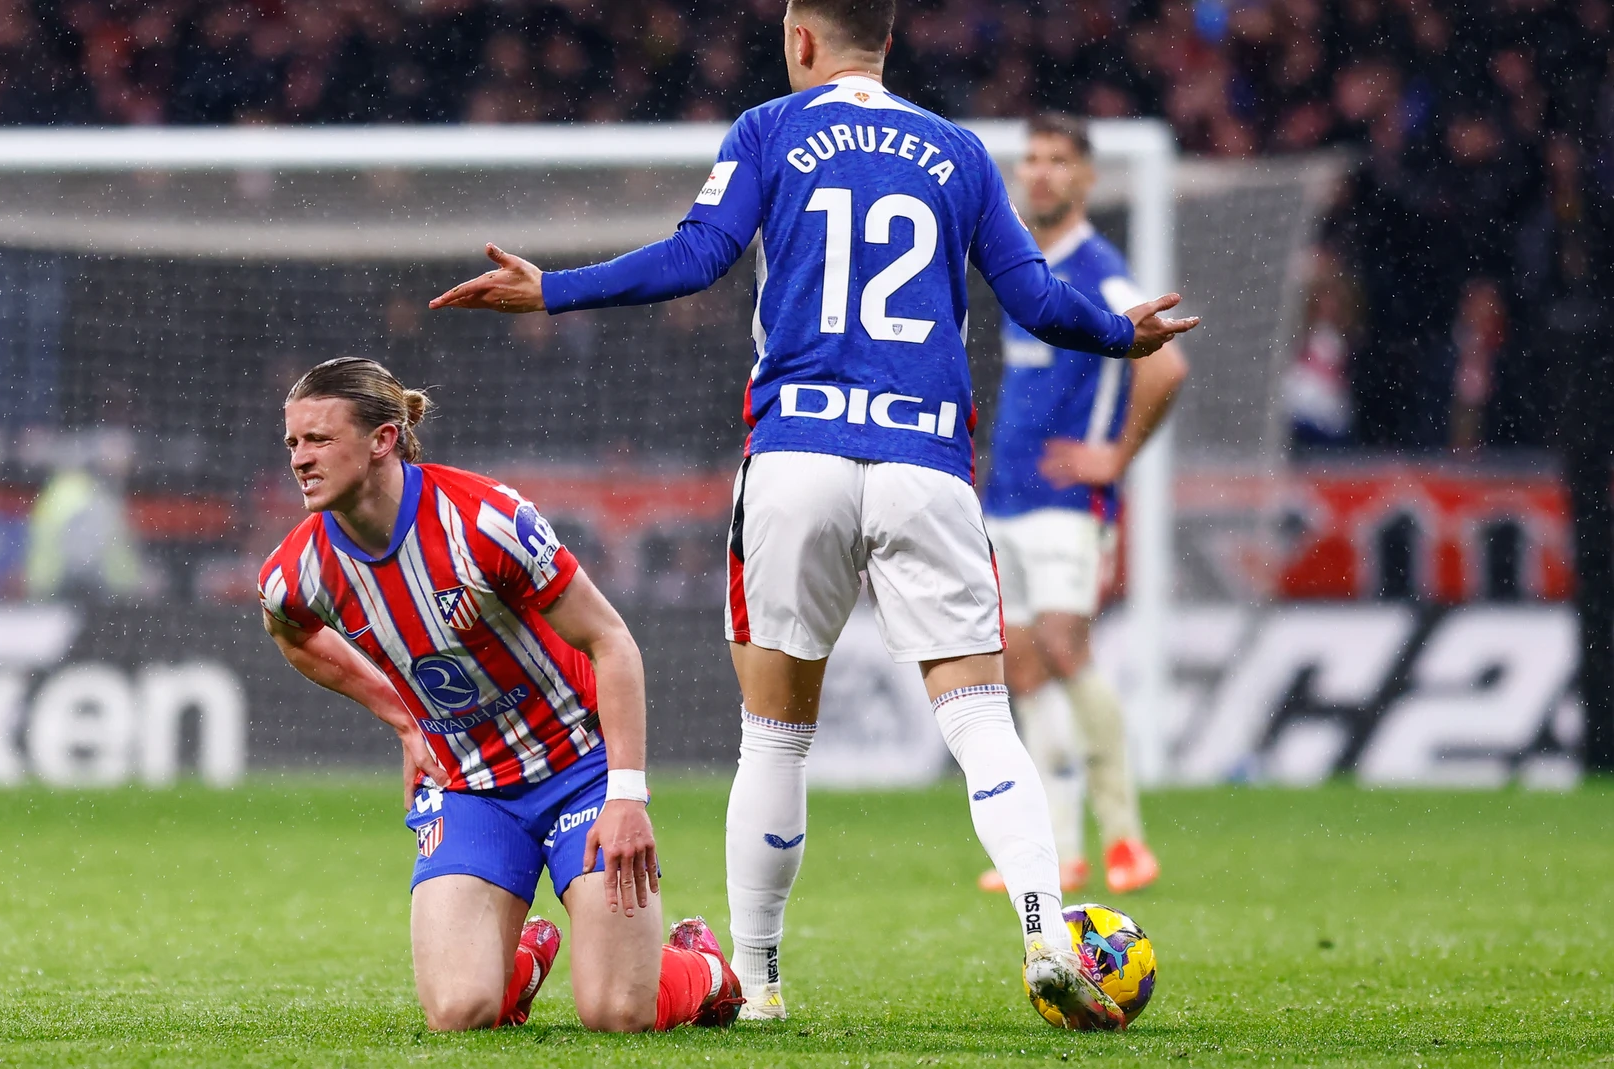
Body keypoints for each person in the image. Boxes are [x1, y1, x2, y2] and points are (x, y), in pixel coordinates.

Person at [429, 0, 1197, 1030]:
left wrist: (555, 289)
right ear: (889, 41)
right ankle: (1045, 932)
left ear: (800, 38)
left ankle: (760, 978)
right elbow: (1033, 298)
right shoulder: (958, 151)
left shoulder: (768, 130)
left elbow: (696, 256)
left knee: (776, 735)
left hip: (798, 457)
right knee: (979, 716)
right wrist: (1118, 333)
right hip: (926, 458)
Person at [257, 357, 743, 1033]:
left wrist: (627, 793)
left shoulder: (485, 522)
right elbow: (293, 633)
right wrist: (402, 719)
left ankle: (706, 968)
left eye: (318, 439)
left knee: (617, 1011)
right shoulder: (297, 569)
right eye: (293, 443)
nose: (300, 459)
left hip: (578, 771)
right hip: (471, 786)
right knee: (459, 1011)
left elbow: (613, 642)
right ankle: (523, 960)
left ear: (383, 439)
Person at [976, 113, 1188, 899]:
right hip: (1009, 497)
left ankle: (1126, 838)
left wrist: (1116, 456)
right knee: (1025, 663)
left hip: (1069, 499)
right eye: (1031, 160)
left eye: (1058, 161)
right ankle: (1059, 847)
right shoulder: (1024, 265)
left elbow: (1167, 366)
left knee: (1066, 645)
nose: (1040, 173)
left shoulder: (1099, 269)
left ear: (1087, 177)